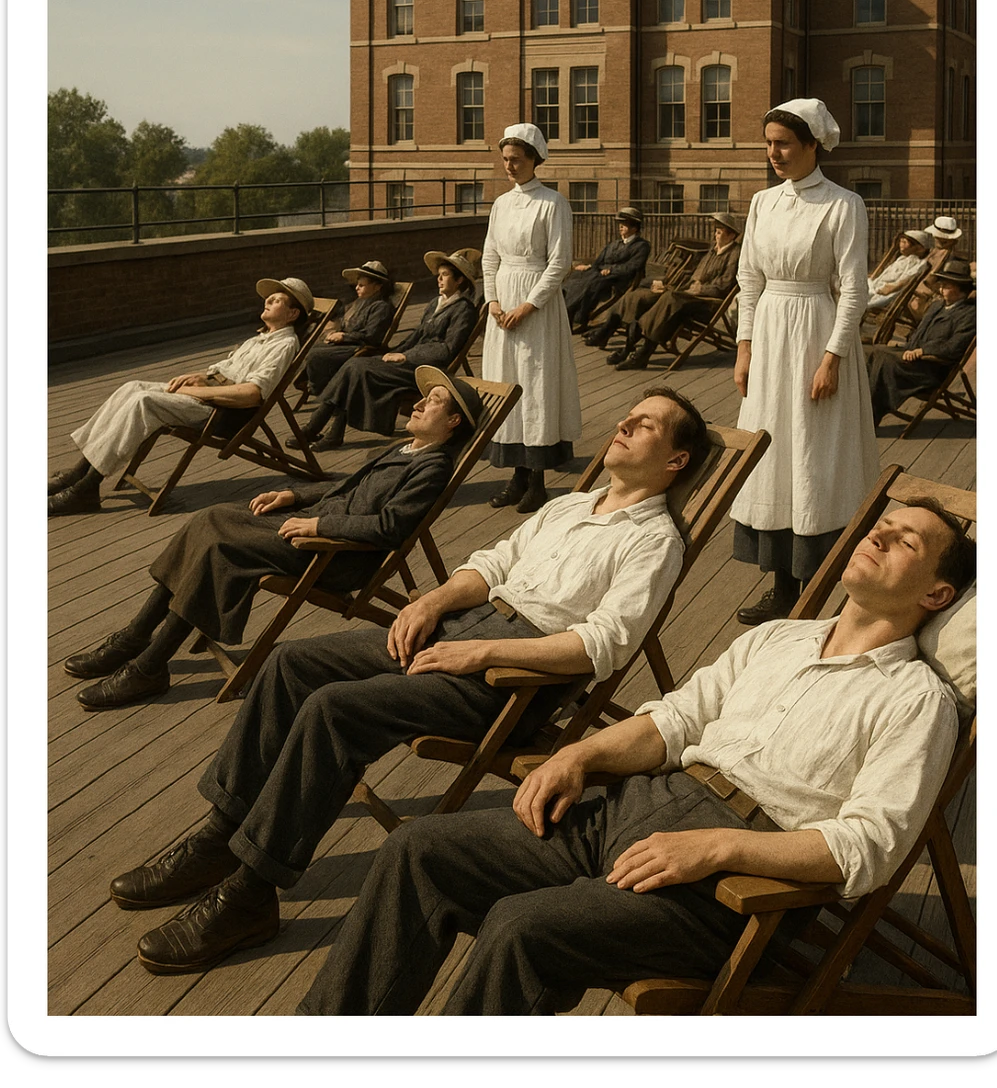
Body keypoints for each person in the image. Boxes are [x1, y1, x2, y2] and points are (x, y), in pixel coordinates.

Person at [106, 389, 707, 976]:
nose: (624, 426)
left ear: (676, 461)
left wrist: (481, 651)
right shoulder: (571, 505)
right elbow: (492, 564)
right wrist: (432, 602)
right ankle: (221, 835)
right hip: (460, 625)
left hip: (510, 678)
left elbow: (603, 644)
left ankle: (248, 893)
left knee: (334, 710)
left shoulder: (655, 542)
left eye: (646, 424)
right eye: (627, 416)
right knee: (289, 665)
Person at [296, 496, 974, 1016]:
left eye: (906, 540)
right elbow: (676, 721)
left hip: (725, 882)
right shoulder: (780, 638)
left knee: (521, 928)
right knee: (420, 852)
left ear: (937, 596)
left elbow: (868, 846)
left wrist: (715, 850)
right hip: (634, 806)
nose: (879, 534)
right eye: (882, 525)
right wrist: (581, 757)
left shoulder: (915, 700)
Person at [65, 368, 476, 710]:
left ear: (454, 422)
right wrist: (294, 495)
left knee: (220, 547)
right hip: (313, 526)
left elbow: (390, 527)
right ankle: (136, 636)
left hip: (336, 554)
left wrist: (319, 528)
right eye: (423, 398)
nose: (419, 403)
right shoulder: (407, 448)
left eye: (434, 401)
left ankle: (149, 667)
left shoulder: (433, 466)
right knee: (208, 518)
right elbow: (346, 487)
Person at [731, 100, 880, 626]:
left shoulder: (844, 205)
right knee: (774, 449)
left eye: (785, 144)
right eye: (768, 143)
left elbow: (854, 289)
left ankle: (821, 580)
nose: (774, 153)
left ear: (812, 145)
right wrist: (745, 346)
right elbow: (750, 278)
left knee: (813, 449)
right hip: (771, 334)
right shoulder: (762, 203)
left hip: (816, 330)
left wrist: (832, 357)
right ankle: (781, 584)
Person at [47, 277, 315, 517]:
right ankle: (79, 472)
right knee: (131, 387)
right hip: (208, 395)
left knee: (144, 403)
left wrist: (196, 390)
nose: (268, 300)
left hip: (220, 413)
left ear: (292, 314)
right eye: (270, 297)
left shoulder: (284, 345)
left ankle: (87, 486)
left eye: (278, 299)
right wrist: (201, 375)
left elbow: (251, 394)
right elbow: (229, 370)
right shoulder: (260, 338)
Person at [481, 123, 583, 515]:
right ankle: (517, 476)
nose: (510, 166)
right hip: (502, 304)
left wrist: (528, 305)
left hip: (536, 308)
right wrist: (493, 301)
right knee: (507, 384)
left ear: (534, 160)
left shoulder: (553, 203)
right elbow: (490, 257)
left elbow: (559, 264)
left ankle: (537, 481)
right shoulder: (501, 204)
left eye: (517, 160)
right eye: (505, 160)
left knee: (534, 384)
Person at [292, 250, 480, 451]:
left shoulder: (464, 310)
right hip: (410, 361)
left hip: (426, 368)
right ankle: (329, 432)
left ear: (459, 280)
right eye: (439, 274)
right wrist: (391, 353)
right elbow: (415, 336)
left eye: (444, 275)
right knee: (355, 368)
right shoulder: (436, 303)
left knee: (356, 367)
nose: (439, 279)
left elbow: (447, 349)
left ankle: (316, 428)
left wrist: (405, 356)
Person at [605, 212, 743, 371]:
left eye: (719, 232)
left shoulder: (735, 254)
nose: (715, 235)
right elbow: (695, 275)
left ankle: (643, 353)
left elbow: (725, 284)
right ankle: (629, 347)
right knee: (650, 296)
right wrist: (671, 285)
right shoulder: (714, 250)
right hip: (690, 296)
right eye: (715, 231)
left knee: (669, 299)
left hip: (706, 303)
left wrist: (700, 289)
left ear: (731, 235)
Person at [865, 257, 976, 427]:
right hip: (911, 358)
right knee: (869, 352)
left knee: (882, 359)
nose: (941, 288)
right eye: (942, 283)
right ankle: (861, 410)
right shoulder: (937, 306)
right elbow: (918, 333)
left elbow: (954, 347)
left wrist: (923, 350)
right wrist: (908, 348)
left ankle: (869, 417)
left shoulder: (969, 314)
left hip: (930, 368)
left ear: (961, 290)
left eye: (947, 285)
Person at [302, 260, 395, 398]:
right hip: (348, 343)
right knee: (310, 345)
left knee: (316, 354)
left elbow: (372, 336)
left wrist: (344, 337)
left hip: (361, 347)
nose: (357, 288)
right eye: (357, 284)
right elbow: (342, 319)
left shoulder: (381, 307)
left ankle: (322, 391)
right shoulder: (358, 303)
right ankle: (314, 383)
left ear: (377, 287)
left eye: (362, 285)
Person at [562, 207, 650, 333]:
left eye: (624, 225)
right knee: (577, 276)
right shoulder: (614, 244)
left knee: (592, 282)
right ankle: (566, 311)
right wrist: (591, 267)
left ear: (634, 229)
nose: (620, 227)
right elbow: (599, 262)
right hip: (603, 274)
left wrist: (611, 269)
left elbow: (633, 267)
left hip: (622, 279)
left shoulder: (641, 246)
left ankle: (579, 317)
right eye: (620, 225)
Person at [907, 215, 964, 324]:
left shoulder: (949, 257)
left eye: (942, 239)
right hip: (917, 287)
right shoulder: (935, 251)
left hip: (929, 293)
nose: (937, 240)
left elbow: (934, 281)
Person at [863, 230, 932, 313]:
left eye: (904, 242)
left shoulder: (919, 264)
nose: (900, 245)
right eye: (900, 242)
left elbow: (903, 282)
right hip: (876, 286)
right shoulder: (902, 258)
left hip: (886, 293)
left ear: (919, 248)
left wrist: (885, 289)